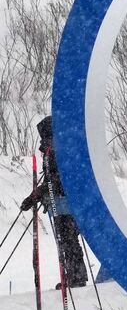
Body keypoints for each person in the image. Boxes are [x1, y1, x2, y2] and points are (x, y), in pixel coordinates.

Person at [19, 117, 89, 288]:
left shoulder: (60, 152)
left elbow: (59, 180)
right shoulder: (53, 151)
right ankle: (73, 276)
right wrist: (36, 196)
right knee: (66, 240)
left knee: (68, 240)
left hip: (68, 204)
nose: (43, 140)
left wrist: (38, 194)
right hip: (61, 203)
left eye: (45, 136)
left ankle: (77, 278)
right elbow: (51, 180)